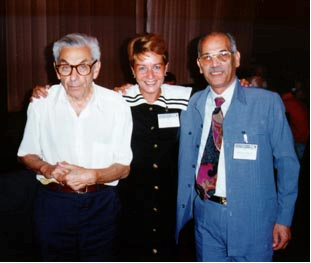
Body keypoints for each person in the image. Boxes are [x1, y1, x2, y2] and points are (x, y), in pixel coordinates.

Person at [30, 32, 192, 261]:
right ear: (132, 70)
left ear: (167, 67)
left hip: (170, 200)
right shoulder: (119, 100)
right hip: (130, 201)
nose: (150, 75)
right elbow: (80, 90)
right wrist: (44, 91)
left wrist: (241, 85)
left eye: (156, 67)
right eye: (142, 67)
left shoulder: (187, 98)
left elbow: (219, 97)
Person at [176, 32, 300, 261]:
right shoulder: (192, 105)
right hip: (206, 215)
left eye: (223, 54)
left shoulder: (266, 103)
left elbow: (288, 164)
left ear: (236, 58)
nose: (215, 63)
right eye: (207, 57)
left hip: (253, 219)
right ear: (199, 65)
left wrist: (284, 218)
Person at [17, 33, 133, 261]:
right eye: (65, 67)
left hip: (102, 204)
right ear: (56, 69)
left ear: (96, 69)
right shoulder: (41, 103)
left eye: (82, 67)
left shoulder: (116, 105)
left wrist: (93, 175)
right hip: (54, 204)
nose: (73, 77)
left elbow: (123, 167)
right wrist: (47, 169)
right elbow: (26, 154)